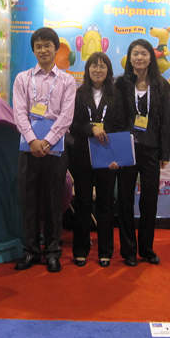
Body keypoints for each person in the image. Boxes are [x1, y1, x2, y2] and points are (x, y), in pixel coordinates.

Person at [12, 27, 76, 273]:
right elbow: (19, 112)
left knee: (53, 201)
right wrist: (32, 141)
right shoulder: (22, 78)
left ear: (56, 48)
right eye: (38, 46)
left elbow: (66, 116)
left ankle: (52, 251)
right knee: (28, 201)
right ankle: (30, 250)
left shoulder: (67, 81)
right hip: (28, 148)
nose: (43, 50)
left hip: (56, 148)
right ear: (34, 50)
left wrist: (47, 141)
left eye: (47, 45)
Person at [115, 39, 170, 266]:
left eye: (144, 53)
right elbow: (115, 118)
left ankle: (147, 249)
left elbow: (164, 121)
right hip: (126, 148)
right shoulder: (120, 84)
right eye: (135, 53)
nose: (139, 57)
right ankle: (128, 251)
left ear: (151, 58)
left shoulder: (162, 85)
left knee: (149, 201)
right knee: (125, 200)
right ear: (129, 58)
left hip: (151, 150)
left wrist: (165, 154)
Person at [69, 52, 123, 268]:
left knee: (105, 203)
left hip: (107, 154)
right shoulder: (78, 94)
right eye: (94, 66)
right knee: (82, 202)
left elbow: (121, 124)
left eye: (102, 66)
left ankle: (105, 251)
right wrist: (91, 128)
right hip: (82, 154)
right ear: (87, 69)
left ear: (108, 70)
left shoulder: (116, 95)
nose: (98, 70)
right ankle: (80, 249)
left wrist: (108, 137)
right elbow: (73, 123)